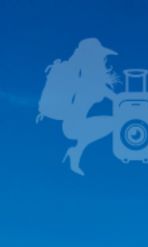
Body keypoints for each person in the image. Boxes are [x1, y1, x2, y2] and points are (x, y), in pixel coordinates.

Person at [38, 39, 121, 175]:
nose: (103, 60)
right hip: (74, 127)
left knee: (111, 122)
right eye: (100, 56)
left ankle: (76, 152)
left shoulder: (85, 79)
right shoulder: (91, 81)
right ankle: (76, 151)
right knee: (117, 122)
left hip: (72, 126)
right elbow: (115, 98)